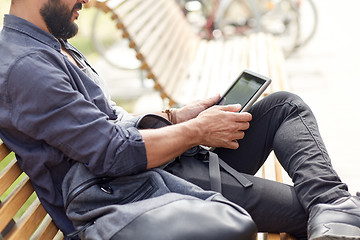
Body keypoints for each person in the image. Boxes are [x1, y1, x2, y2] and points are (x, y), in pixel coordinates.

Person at [0, 0, 359, 239]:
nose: (87, 1)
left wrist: (175, 117)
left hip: (154, 169)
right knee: (308, 209)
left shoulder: (49, 44)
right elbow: (111, 153)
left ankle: (336, 205)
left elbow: (104, 127)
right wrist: (196, 130)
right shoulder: (28, 69)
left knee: (283, 107)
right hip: (139, 193)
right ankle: (336, 207)